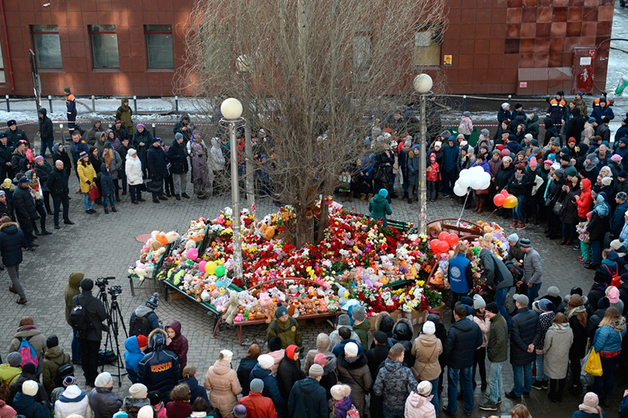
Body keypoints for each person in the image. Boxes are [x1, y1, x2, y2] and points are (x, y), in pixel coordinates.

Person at [442, 304, 482, 417]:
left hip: (454, 363)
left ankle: (452, 409)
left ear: (456, 315)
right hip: (468, 360)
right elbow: (479, 342)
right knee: (468, 383)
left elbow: (447, 349)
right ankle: (469, 408)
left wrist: (446, 360)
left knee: (453, 385)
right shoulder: (475, 326)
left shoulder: (453, 330)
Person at [72, 278, 107, 387]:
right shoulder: (96, 302)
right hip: (94, 333)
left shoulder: (76, 299)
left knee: (84, 354)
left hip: (81, 332)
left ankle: (87, 376)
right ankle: (93, 377)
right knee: (93, 356)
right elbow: (103, 317)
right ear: (92, 288)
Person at [506, 294, 540, 401]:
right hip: (530, 348)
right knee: (528, 369)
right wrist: (532, 345)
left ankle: (517, 392)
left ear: (518, 304)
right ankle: (527, 390)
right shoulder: (534, 314)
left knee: (518, 371)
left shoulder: (516, 319)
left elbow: (516, 337)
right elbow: (538, 331)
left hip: (519, 351)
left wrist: (526, 347)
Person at [373, 344, 418, 418]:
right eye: (403, 355)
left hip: (388, 406)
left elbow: (377, 391)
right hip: (403, 405)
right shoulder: (406, 371)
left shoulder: (382, 371)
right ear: (398, 358)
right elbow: (415, 388)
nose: (404, 356)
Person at [592, 307, 626, 406]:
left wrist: (594, 351)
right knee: (610, 376)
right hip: (616, 354)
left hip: (603, 356)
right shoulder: (622, 326)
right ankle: (607, 397)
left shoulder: (605, 329)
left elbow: (599, 345)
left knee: (600, 377)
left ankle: (596, 398)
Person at [479, 302, 508, 412]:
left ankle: (493, 401)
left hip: (497, 356)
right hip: (499, 356)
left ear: (492, 312)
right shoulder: (498, 320)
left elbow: (501, 341)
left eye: (486, 311)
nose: (485, 313)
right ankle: (497, 396)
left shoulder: (498, 324)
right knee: (497, 377)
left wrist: (492, 352)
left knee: (492, 379)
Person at [137, 329, 180, 402]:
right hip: (169, 391)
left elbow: (141, 380)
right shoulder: (172, 356)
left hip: (153, 394)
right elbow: (177, 376)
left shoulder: (145, 361)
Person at [411, 321, 442, 414]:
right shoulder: (438, 342)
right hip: (434, 371)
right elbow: (440, 352)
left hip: (420, 371)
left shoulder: (417, 341)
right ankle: (434, 414)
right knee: (434, 394)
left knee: (420, 395)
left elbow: (413, 353)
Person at [543, 313, 573, 403]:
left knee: (553, 377)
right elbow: (571, 342)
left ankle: (552, 395)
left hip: (552, 356)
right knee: (562, 376)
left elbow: (547, 344)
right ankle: (560, 395)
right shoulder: (569, 330)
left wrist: (545, 351)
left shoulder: (551, 331)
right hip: (563, 356)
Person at [336, 342, 371, 417]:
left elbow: (337, 376)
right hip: (358, 394)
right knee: (358, 411)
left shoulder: (339, 363)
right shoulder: (364, 366)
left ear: (345, 352)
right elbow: (368, 383)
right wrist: (364, 390)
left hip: (344, 392)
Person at [202, 350, 241, 418]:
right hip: (228, 402)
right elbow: (237, 391)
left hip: (214, 400)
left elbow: (207, 386)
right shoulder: (232, 373)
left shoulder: (210, 369)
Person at [0, 216, 27, 303]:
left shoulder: (1, 235)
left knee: (13, 276)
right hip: (18, 254)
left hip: (8, 257)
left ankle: (22, 296)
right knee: (16, 271)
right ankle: (15, 287)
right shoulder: (19, 231)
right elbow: (23, 243)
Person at [276, 345, 305, 416]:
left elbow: (298, 370)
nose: (297, 358)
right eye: (296, 356)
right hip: (288, 395)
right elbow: (288, 388)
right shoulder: (285, 368)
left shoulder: (290, 361)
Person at [64, 272, 84, 365]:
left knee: (76, 336)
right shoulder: (73, 293)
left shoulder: (70, 286)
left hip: (70, 315)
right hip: (74, 319)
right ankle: (76, 357)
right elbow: (75, 308)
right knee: (76, 337)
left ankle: (78, 353)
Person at [46, 160, 72, 230]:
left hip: (65, 193)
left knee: (66, 206)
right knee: (56, 209)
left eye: (62, 165)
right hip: (57, 194)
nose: (62, 166)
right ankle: (56, 223)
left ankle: (66, 219)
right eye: (61, 165)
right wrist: (54, 191)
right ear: (57, 165)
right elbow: (49, 184)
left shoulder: (63, 171)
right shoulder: (53, 174)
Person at [448, 242, 472, 314]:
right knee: (462, 301)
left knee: (454, 299)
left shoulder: (451, 259)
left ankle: (453, 316)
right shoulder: (466, 262)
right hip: (463, 285)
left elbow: (449, 272)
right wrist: (471, 286)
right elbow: (469, 276)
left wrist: (450, 282)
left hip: (454, 283)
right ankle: (461, 315)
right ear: (465, 250)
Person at [518, 238, 543, 302]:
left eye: (520, 246)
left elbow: (539, 271)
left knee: (530, 302)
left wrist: (531, 282)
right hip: (529, 282)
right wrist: (523, 280)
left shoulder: (534, 255)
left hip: (534, 283)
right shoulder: (527, 254)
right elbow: (526, 270)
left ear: (524, 247)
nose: (520, 248)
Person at [167, 133, 189, 200]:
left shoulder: (183, 145)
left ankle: (183, 192)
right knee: (176, 181)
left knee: (184, 180)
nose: (182, 139)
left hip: (183, 165)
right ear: (178, 139)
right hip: (176, 166)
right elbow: (169, 155)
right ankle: (177, 193)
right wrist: (177, 157)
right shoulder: (173, 147)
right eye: (181, 138)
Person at [146, 138, 168, 203]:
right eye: (155, 142)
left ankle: (160, 194)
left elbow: (164, 157)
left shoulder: (160, 149)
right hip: (155, 170)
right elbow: (150, 162)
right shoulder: (150, 151)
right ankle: (154, 197)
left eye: (157, 142)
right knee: (155, 184)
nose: (157, 143)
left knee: (161, 182)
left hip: (161, 169)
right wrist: (153, 172)